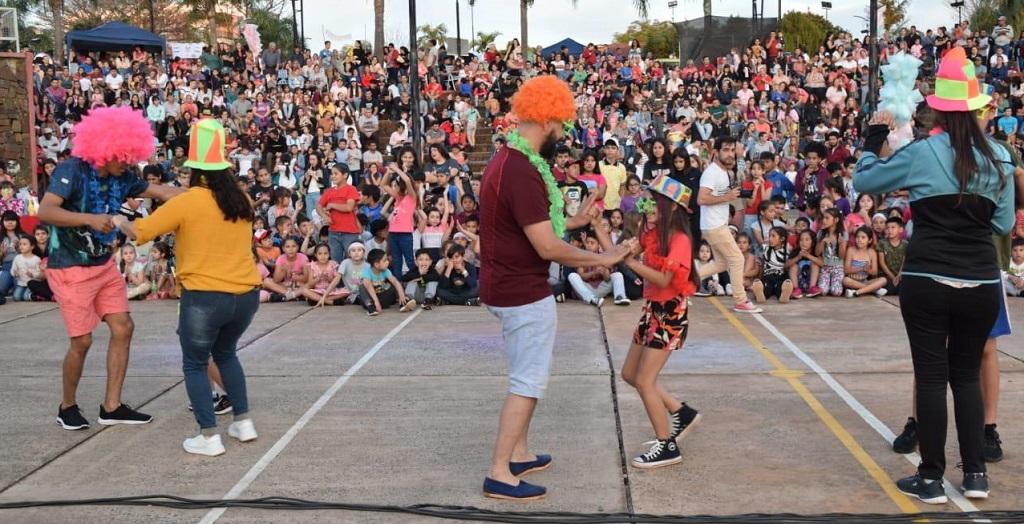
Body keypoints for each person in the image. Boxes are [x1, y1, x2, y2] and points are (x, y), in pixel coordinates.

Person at [853, 47, 1016, 503]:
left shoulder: (924, 152)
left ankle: (930, 478)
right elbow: (1003, 225)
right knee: (965, 377)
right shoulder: (1000, 157)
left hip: (928, 277)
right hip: (980, 280)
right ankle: (976, 475)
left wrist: (872, 138)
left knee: (930, 376)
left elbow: (865, 181)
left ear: (937, 107)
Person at [479, 75, 630, 500]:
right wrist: (604, 258)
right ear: (547, 121)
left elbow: (529, 226)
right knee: (527, 382)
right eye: (562, 125)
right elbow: (546, 245)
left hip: (505, 284)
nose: (562, 135)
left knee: (526, 377)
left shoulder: (506, 158)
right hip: (521, 292)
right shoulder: (523, 171)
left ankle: (521, 452)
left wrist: (576, 222)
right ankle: (499, 472)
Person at [114, 118, 261, 456]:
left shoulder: (187, 201)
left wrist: (121, 220)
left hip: (206, 297)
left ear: (192, 169)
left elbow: (141, 233)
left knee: (195, 363)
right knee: (226, 354)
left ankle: (209, 436)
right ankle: (243, 421)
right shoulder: (242, 200)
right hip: (246, 297)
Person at [37, 106, 182, 431]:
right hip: (69, 268)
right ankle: (67, 406)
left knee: (123, 327)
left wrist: (208, 195)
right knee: (82, 341)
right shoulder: (72, 170)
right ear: (105, 150)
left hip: (103, 267)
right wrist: (88, 219)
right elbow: (46, 211)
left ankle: (112, 406)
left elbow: (165, 192)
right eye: (123, 156)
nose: (129, 163)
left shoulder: (124, 176)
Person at [615, 176, 702, 468]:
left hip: (669, 313)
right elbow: (622, 255)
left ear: (672, 208)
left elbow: (665, 279)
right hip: (652, 309)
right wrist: (598, 228)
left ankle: (667, 446)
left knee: (644, 380)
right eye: (648, 198)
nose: (648, 204)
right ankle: (682, 412)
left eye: (655, 200)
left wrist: (632, 263)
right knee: (629, 374)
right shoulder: (651, 234)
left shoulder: (679, 241)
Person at [695, 136, 762, 313]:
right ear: (715, 152)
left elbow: (733, 196)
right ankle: (740, 300)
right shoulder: (712, 173)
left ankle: (682, 284)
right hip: (714, 225)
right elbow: (701, 199)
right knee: (737, 259)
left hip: (716, 225)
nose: (730, 154)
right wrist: (727, 197)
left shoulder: (725, 172)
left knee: (721, 264)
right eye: (725, 150)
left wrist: (752, 189)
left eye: (733, 150)